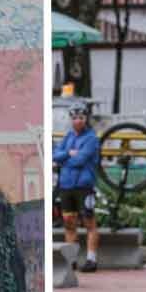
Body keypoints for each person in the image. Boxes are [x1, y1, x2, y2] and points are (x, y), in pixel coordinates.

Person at [53, 103, 100, 272]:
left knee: (89, 222)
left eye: (81, 118)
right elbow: (55, 155)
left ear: (86, 119)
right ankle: (71, 260)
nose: (77, 121)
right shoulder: (68, 137)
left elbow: (81, 159)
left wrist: (66, 158)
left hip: (84, 186)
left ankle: (91, 259)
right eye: (74, 118)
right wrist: (67, 154)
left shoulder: (92, 138)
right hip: (66, 186)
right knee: (69, 223)